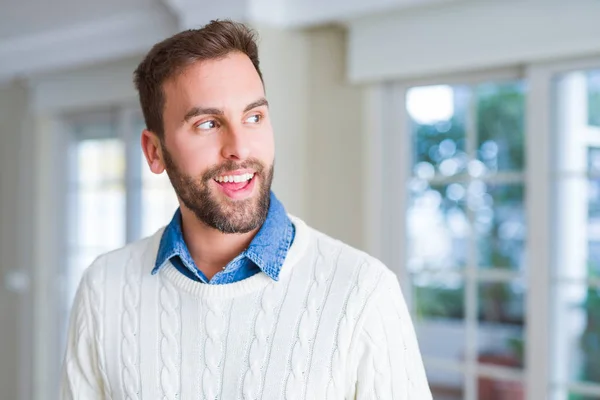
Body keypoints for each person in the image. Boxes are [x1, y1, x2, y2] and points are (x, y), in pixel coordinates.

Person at [59, 20, 431, 399]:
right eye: (207, 124)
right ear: (155, 151)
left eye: (254, 117)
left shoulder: (364, 290)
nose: (239, 147)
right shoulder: (103, 287)